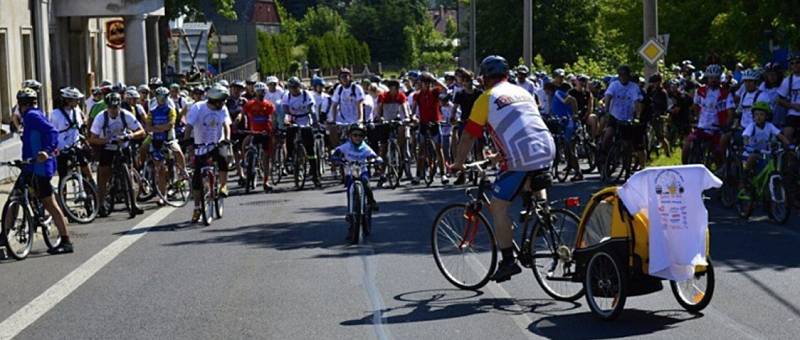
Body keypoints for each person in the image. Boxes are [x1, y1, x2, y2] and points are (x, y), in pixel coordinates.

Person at [451, 55, 555, 282]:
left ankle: (508, 261)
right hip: (546, 147)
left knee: (498, 207)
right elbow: (520, 124)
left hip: (520, 154)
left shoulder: (486, 98)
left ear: (485, 78)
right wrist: (498, 156)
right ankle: (543, 212)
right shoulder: (523, 91)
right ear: (507, 75)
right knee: (529, 175)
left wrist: (459, 163)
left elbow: (468, 135)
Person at [16, 88, 74, 254]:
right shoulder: (29, 117)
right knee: (16, 195)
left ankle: (66, 240)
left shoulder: (33, 116)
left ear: (21, 104)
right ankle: (3, 236)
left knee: (49, 203)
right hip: (29, 166)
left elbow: (52, 131)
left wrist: (46, 151)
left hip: (39, 167)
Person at [88, 93, 146, 217]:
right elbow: (92, 139)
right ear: (107, 107)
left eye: (115, 107)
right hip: (107, 146)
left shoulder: (126, 115)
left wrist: (130, 136)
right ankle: (100, 204)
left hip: (123, 145)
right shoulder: (101, 117)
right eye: (111, 108)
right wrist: (107, 140)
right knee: (103, 174)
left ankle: (133, 203)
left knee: (129, 173)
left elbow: (141, 131)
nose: (113, 111)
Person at [184, 85, 232, 222]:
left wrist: (227, 139)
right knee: (197, 180)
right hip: (201, 145)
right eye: (222, 101)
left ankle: (223, 186)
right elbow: (189, 126)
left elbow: (226, 125)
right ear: (215, 100)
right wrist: (187, 142)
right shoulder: (198, 108)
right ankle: (197, 207)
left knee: (222, 157)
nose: (223, 104)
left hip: (217, 142)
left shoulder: (222, 108)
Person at [330, 123, 382, 242]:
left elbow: (373, 155)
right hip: (350, 172)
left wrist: (376, 159)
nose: (357, 138)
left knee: (365, 182)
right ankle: (350, 213)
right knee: (349, 189)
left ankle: (371, 201)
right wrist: (335, 157)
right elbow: (336, 152)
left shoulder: (365, 147)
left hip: (362, 171)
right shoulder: (345, 147)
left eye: (360, 135)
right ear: (350, 136)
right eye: (355, 135)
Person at [682, 64, 735, 165]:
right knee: (687, 145)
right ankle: (685, 167)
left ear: (720, 78)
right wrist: (697, 118)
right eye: (711, 78)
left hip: (717, 128)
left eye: (716, 78)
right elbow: (696, 106)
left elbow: (730, 112)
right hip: (703, 127)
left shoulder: (726, 93)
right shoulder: (701, 91)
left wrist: (726, 126)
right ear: (707, 78)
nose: (713, 80)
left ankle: (721, 170)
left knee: (718, 152)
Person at [147, 87, 189, 205]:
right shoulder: (152, 111)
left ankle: (183, 171)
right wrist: (159, 128)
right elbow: (148, 127)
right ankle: (163, 194)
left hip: (169, 138)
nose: (162, 99)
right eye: (159, 97)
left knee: (178, 151)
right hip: (156, 140)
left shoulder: (171, 109)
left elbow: (170, 125)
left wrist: (157, 128)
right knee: (161, 169)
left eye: (164, 97)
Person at [411, 71, 450, 185]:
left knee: (439, 149)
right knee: (421, 150)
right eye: (424, 82)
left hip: (434, 122)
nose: (426, 85)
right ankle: (418, 175)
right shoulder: (417, 95)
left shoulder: (435, 92)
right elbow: (414, 109)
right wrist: (413, 117)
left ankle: (443, 174)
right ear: (420, 83)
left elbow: (445, 89)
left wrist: (434, 79)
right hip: (423, 123)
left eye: (428, 82)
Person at [282, 77, 321, 187]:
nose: (294, 90)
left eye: (295, 87)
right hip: (293, 119)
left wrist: (315, 122)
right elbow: (285, 109)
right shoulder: (287, 96)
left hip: (305, 119)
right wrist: (286, 119)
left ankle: (315, 175)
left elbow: (311, 109)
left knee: (310, 149)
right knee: (289, 133)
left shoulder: (306, 95)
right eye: (291, 88)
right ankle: (289, 156)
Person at [601, 65, 643, 162]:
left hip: (627, 117)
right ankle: (603, 153)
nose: (623, 77)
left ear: (629, 76)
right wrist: (607, 110)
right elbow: (608, 96)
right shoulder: (614, 85)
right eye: (621, 75)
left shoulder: (633, 87)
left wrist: (637, 117)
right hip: (614, 115)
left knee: (626, 144)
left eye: (625, 75)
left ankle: (626, 164)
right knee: (609, 133)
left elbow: (637, 102)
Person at [51, 87, 93, 182]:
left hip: (75, 143)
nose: (78, 102)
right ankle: (63, 193)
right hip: (62, 147)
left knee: (84, 164)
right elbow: (52, 132)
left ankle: (91, 185)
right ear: (68, 101)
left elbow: (81, 126)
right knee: (63, 173)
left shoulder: (77, 111)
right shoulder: (55, 114)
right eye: (76, 100)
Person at [741, 102, 791, 177]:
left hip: (765, 152)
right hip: (750, 151)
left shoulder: (769, 125)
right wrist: (746, 144)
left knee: (781, 156)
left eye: (761, 114)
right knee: (753, 157)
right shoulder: (752, 126)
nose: (758, 117)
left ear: (767, 116)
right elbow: (746, 136)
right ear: (753, 116)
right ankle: (744, 178)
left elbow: (780, 136)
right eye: (756, 114)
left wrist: (788, 144)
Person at [452, 70, 484, 184]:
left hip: (478, 122)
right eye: (465, 81)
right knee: (462, 148)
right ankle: (462, 174)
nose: (467, 83)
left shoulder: (479, 93)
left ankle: (483, 175)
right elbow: (454, 108)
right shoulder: (460, 94)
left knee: (480, 149)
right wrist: (453, 118)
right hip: (465, 122)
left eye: (469, 80)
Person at [243, 82, 275, 192]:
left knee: (266, 157)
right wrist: (237, 122)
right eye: (258, 92)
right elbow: (243, 114)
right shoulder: (249, 104)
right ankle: (244, 163)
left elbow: (273, 117)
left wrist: (274, 128)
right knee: (244, 144)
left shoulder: (269, 105)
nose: (260, 94)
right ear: (255, 92)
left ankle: (266, 180)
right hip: (253, 132)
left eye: (262, 92)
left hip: (266, 133)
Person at [329, 68, 365, 147]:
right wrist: (333, 120)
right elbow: (334, 105)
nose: (344, 79)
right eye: (342, 77)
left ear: (350, 77)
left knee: (358, 139)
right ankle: (337, 151)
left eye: (346, 76)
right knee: (333, 131)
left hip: (355, 119)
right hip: (343, 120)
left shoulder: (356, 88)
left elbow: (360, 103)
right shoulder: (339, 89)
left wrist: (360, 119)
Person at [778, 54, 800, 142]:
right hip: (793, 113)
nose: (795, 65)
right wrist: (793, 106)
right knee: (787, 134)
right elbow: (780, 100)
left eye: (798, 62)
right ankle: (790, 153)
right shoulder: (788, 80)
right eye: (792, 63)